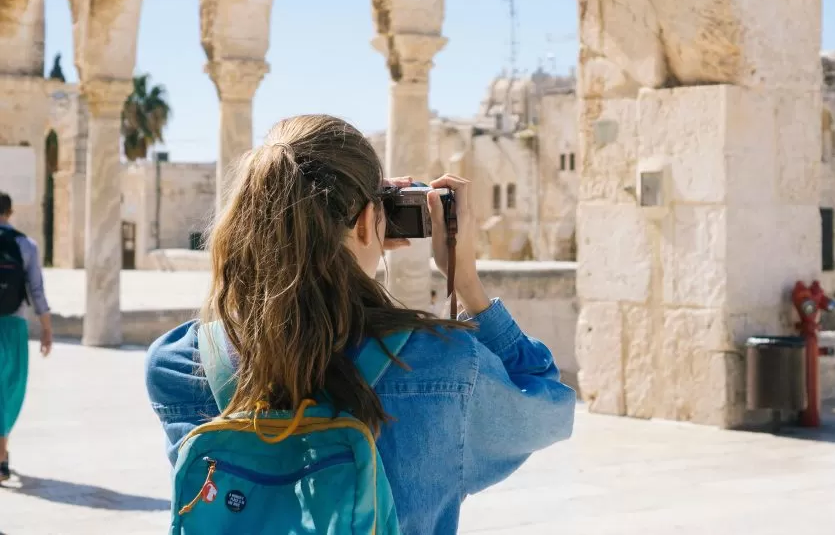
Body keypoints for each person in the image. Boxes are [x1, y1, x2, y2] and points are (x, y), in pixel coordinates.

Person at [146, 114, 575, 533]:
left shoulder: (179, 364)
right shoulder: (444, 366)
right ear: (371, 219)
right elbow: (550, 405)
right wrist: (466, 282)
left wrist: (361, 221)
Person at [0, 191, 53, 483]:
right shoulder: (25, 245)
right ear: (10, 212)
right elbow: (37, 291)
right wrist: (46, 328)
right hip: (13, 325)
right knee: (9, 390)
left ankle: (2, 456)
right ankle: (2, 455)